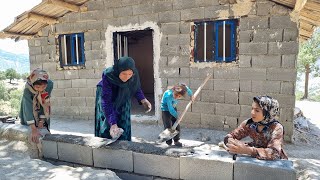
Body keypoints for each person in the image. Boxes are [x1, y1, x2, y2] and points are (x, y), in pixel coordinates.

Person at [95, 56, 152, 141]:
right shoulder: (109, 76)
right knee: (107, 121)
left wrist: (143, 99)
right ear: (118, 71)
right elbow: (106, 102)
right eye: (124, 74)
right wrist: (113, 123)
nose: (127, 77)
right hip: (107, 96)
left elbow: (135, 86)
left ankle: (124, 142)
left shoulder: (133, 74)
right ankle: (106, 143)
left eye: (129, 74)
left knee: (123, 117)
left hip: (123, 94)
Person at [224, 95, 288, 160]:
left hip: (275, 164)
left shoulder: (276, 128)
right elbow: (230, 136)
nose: (252, 113)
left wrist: (247, 150)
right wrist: (232, 143)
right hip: (255, 160)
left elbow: (274, 153)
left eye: (257, 110)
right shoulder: (250, 123)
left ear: (268, 113)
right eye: (252, 109)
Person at [19, 69, 53, 156]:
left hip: (41, 108)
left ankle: (46, 152)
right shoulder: (28, 89)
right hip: (30, 109)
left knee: (44, 128)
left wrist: (41, 120)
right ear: (33, 83)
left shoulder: (49, 85)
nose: (41, 89)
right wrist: (34, 129)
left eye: (43, 87)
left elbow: (44, 103)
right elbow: (28, 108)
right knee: (33, 134)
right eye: (37, 87)